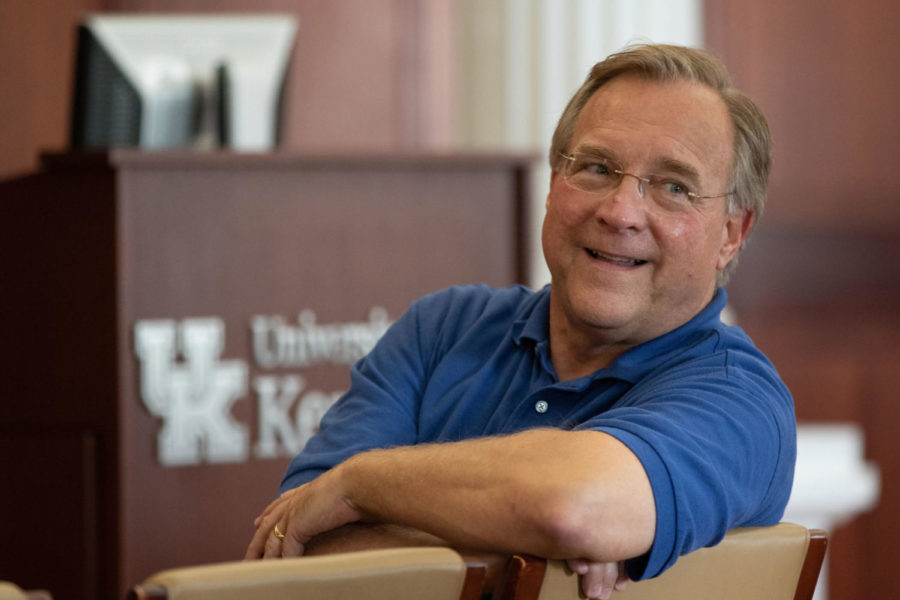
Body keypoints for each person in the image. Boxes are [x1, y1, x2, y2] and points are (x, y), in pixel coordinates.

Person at [245, 43, 795, 600]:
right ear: (554, 184)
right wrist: (529, 537)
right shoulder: (441, 328)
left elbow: (569, 505)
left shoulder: (741, 399)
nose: (620, 212)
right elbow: (298, 541)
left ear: (731, 233)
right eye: (598, 168)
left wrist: (359, 484)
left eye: (674, 186)